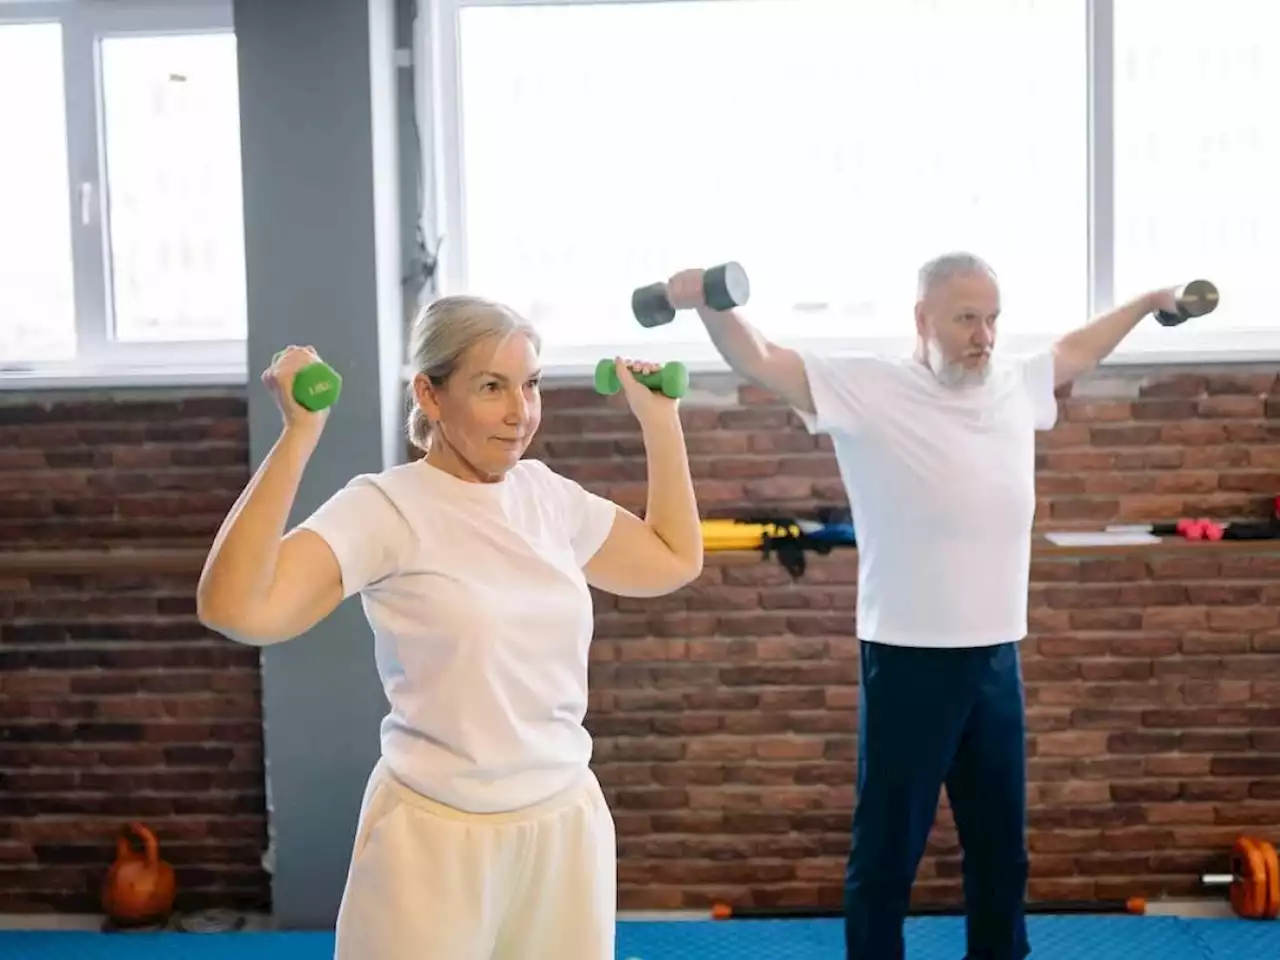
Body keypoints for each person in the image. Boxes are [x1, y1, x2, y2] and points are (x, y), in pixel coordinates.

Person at [664, 252, 1183, 960]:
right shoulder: (868, 386)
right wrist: (707, 303)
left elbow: (1076, 348)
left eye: (993, 319)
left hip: (997, 654)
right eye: (967, 318)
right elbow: (761, 359)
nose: (984, 336)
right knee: (887, 850)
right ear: (922, 320)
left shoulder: (1011, 382)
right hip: (907, 655)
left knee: (1002, 849)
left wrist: (1148, 300)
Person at [195, 295, 703, 960]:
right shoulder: (385, 508)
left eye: (531, 385)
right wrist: (299, 434)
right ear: (429, 396)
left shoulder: (546, 496)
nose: (520, 412)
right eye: (492, 387)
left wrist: (660, 420)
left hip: (564, 824)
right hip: (434, 837)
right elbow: (235, 607)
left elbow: (671, 558)